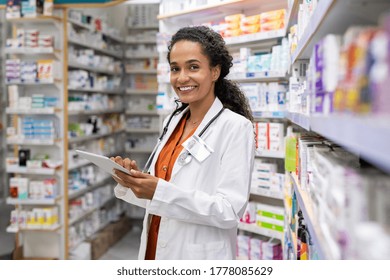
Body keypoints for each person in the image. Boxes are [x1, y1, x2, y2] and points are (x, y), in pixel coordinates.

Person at [111, 25, 255, 260]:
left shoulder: (236, 127)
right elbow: (160, 191)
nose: (182, 77)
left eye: (193, 67)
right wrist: (134, 181)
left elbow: (228, 210)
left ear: (215, 72)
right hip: (154, 247)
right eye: (175, 68)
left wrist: (160, 191)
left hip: (197, 255)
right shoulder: (172, 120)